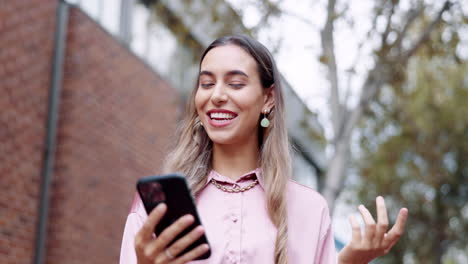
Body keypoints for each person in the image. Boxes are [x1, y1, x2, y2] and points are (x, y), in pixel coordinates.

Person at [119, 35, 408, 264]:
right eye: (206, 83)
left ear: (268, 99)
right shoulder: (159, 206)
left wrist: (348, 263)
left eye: (235, 83)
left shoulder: (309, 209)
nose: (217, 95)